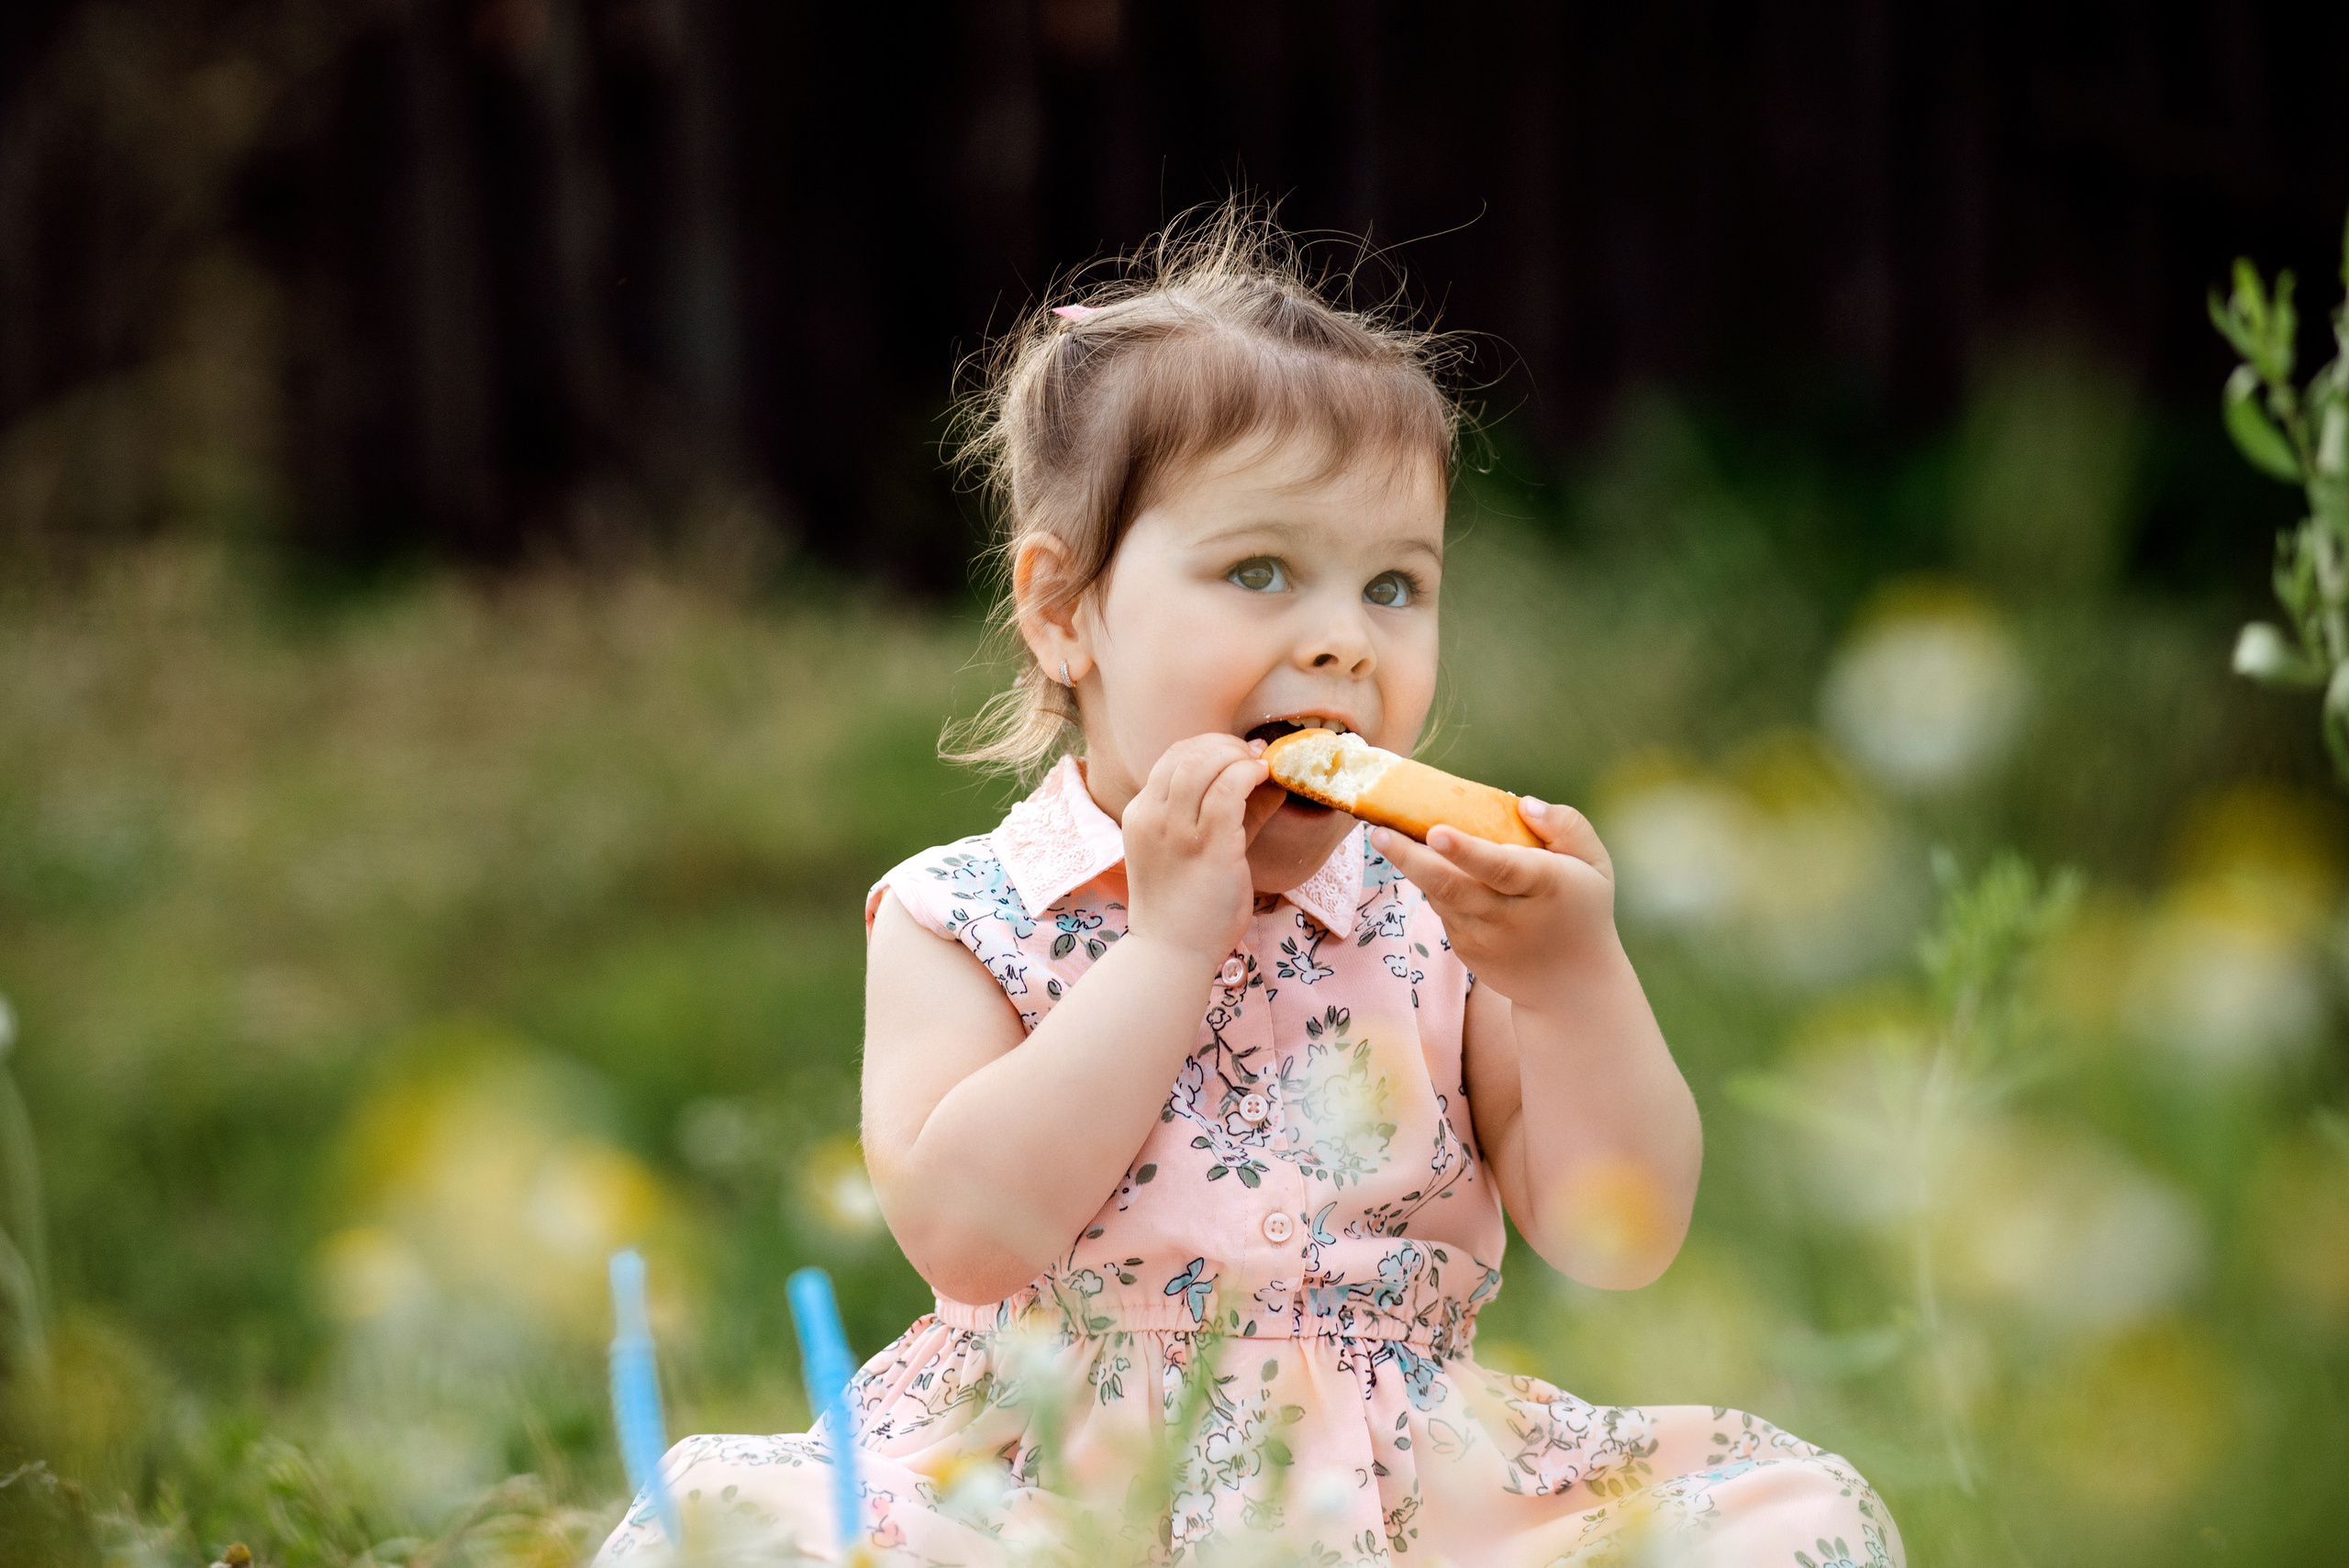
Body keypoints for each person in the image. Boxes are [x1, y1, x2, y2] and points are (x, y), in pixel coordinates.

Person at [596, 206, 1902, 1567]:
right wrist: (1165, 949)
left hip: (1404, 1491)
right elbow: (969, 1236)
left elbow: (1617, 1236)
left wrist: (1575, 983)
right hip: (1040, 1487)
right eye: (1261, 570)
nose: (1342, 640)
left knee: (1794, 1521)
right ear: (1064, 610)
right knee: (731, 1534)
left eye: (1395, 585)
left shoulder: (1437, 925)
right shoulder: (966, 914)